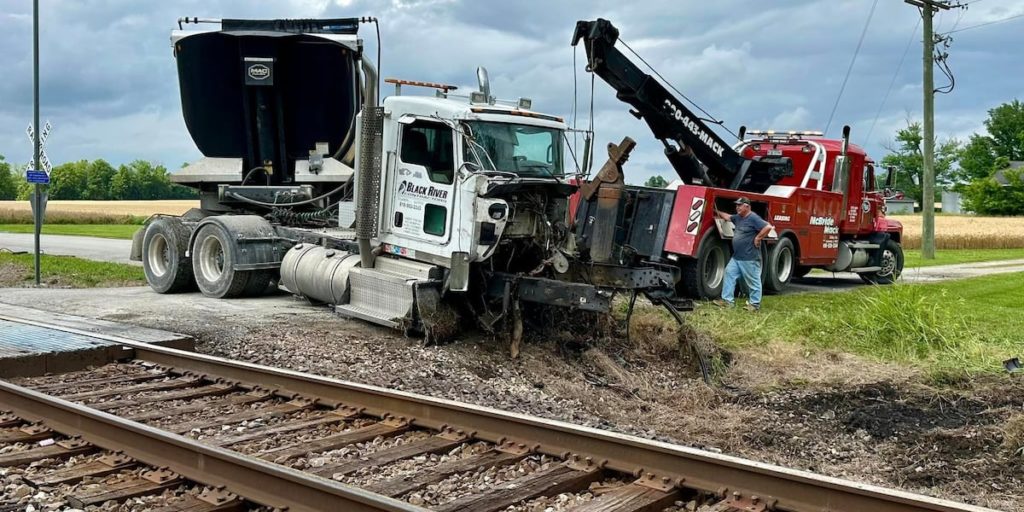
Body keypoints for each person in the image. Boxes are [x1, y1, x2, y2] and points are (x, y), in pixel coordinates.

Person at [713, 197, 774, 311]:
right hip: (737, 257)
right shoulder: (738, 218)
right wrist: (716, 211)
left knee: (753, 281)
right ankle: (727, 301)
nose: (737, 207)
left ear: (747, 206)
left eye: (739, 205)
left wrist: (758, 238)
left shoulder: (753, 218)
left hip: (749, 257)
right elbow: (727, 216)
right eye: (736, 205)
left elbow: (768, 227)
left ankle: (754, 305)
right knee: (729, 273)